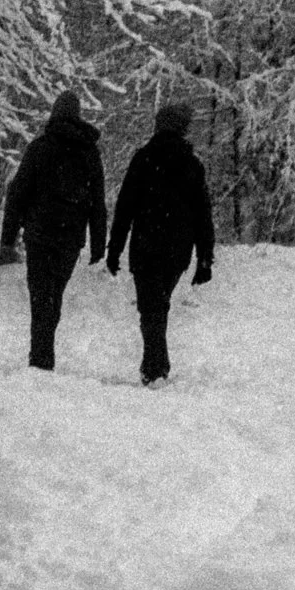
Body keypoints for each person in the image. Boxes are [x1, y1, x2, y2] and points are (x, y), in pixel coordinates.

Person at [105, 102, 215, 386]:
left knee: (150, 305)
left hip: (146, 245)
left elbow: (125, 206)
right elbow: (203, 215)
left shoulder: (143, 159)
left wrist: (114, 248)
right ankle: (156, 364)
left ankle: (155, 366)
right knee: (158, 302)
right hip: (178, 249)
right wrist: (204, 258)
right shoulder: (192, 164)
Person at [0, 91, 107, 371]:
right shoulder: (89, 153)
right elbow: (98, 202)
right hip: (70, 238)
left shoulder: (40, 147)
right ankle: (44, 354)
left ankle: (40, 359)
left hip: (39, 234)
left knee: (40, 295)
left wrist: (8, 239)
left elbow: (18, 193)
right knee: (54, 294)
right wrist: (98, 244)